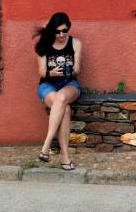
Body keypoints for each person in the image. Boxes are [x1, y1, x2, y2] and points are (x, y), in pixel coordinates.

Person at [34, 12, 82, 170]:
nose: (61, 34)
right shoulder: (44, 45)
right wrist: (51, 73)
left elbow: (77, 69)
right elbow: (41, 72)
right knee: (65, 109)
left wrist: (73, 69)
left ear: (69, 28)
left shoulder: (75, 43)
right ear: (52, 30)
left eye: (65, 30)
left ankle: (46, 146)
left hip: (69, 84)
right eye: (58, 31)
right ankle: (65, 157)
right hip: (48, 85)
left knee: (62, 97)